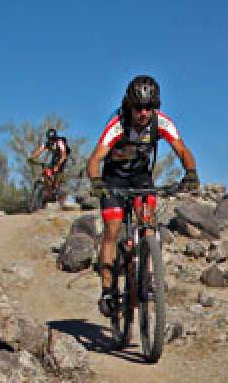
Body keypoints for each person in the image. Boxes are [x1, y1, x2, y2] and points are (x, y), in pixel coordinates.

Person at [86, 75, 200, 317]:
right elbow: (95, 159)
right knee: (113, 229)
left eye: (150, 107)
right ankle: (107, 289)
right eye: (139, 107)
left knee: (148, 224)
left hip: (141, 178)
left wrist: (190, 172)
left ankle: (147, 272)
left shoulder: (161, 123)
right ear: (129, 105)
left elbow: (181, 149)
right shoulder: (118, 124)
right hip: (113, 179)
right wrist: (96, 182)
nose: (144, 113)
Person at [30, 127, 70, 201]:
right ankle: (48, 191)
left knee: (57, 171)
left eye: (52, 139)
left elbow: (64, 155)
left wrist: (58, 166)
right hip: (55, 158)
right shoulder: (47, 143)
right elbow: (39, 150)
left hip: (63, 158)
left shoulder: (60, 142)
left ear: (55, 138)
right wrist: (32, 157)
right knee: (46, 172)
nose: (51, 141)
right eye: (49, 139)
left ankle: (56, 188)